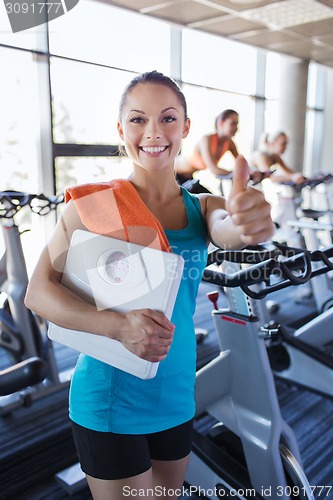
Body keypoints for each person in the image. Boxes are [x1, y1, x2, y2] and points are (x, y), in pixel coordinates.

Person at [25, 71, 274, 500]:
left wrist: (248, 223)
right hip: (108, 399)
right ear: (121, 130)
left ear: (186, 128)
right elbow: (38, 292)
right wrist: (118, 327)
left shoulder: (205, 206)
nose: (153, 132)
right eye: (138, 120)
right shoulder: (93, 205)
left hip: (176, 394)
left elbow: (228, 227)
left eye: (168, 118)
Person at [174, 109, 240, 193]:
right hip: (174, 173)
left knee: (210, 199)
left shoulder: (230, 144)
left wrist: (251, 172)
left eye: (237, 124)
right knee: (208, 200)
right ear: (221, 123)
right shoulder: (207, 140)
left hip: (188, 178)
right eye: (233, 123)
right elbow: (214, 169)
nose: (237, 128)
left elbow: (241, 162)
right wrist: (236, 173)